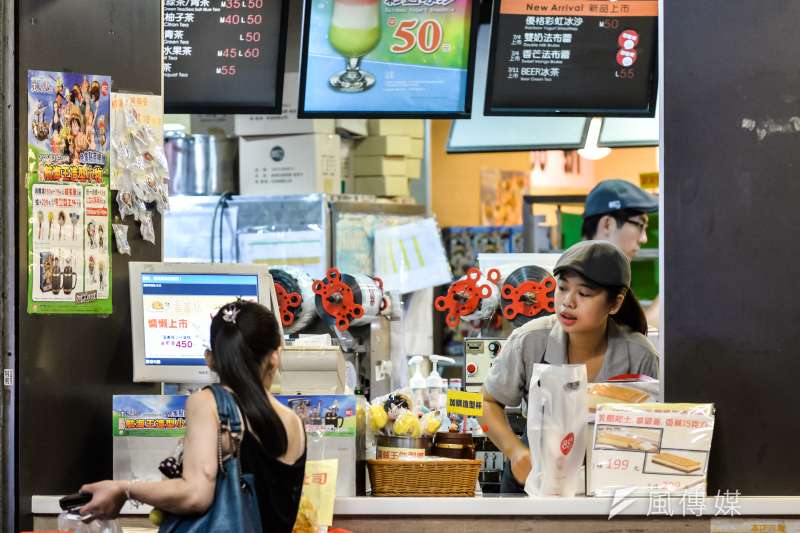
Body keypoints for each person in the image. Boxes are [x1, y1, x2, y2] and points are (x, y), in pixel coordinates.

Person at [79, 301, 307, 533]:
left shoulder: (208, 403)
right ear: (275, 356)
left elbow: (196, 494)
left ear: (210, 359)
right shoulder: (295, 423)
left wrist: (124, 489)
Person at [479, 241, 659, 493]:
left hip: (609, 485)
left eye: (584, 294)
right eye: (562, 288)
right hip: (533, 482)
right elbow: (485, 403)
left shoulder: (638, 354)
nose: (567, 302)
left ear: (615, 303)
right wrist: (514, 450)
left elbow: (652, 428)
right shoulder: (529, 340)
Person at [581, 179, 660, 325]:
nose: (644, 238)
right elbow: (627, 340)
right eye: (640, 225)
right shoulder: (580, 284)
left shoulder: (611, 280)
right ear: (607, 225)